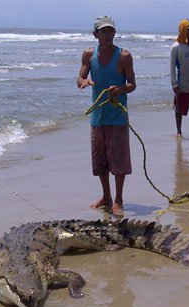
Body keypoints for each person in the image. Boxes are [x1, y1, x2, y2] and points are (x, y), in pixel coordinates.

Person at [77, 16, 136, 217]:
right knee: (100, 160)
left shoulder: (124, 56)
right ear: (96, 35)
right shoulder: (88, 54)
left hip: (118, 116)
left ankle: (119, 199)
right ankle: (106, 196)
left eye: (110, 31)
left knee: (118, 160)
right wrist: (83, 81)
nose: (108, 34)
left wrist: (120, 89)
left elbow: (132, 85)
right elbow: (80, 77)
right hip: (97, 117)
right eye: (104, 31)